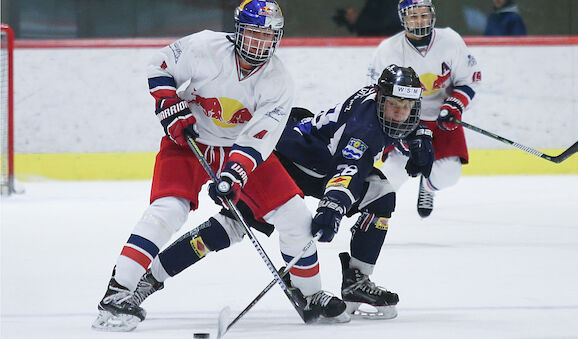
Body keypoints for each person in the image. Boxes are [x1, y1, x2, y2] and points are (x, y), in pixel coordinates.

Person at [92, 0, 349, 332]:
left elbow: (259, 138)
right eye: (253, 34)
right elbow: (159, 66)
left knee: (295, 214)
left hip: (238, 149)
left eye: (267, 37)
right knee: (168, 209)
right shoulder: (204, 46)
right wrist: (169, 105)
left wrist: (234, 173)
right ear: (238, 31)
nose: (259, 44)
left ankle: (311, 293)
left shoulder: (279, 81)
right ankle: (118, 293)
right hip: (189, 139)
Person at [124, 65, 435, 320]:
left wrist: (419, 132)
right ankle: (150, 278)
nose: (399, 113)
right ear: (381, 99)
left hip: (319, 163)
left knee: (382, 194)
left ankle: (356, 280)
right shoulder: (364, 129)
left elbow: (400, 121)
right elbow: (348, 170)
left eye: (407, 108)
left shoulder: (384, 101)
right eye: (394, 106)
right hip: (287, 161)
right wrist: (333, 207)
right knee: (231, 226)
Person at [368, 0, 482, 218]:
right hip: (404, 120)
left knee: (449, 175)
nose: (419, 20)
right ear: (403, 19)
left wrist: (454, 106)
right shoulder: (388, 50)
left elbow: (470, 80)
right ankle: (370, 217)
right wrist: (396, 133)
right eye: (413, 16)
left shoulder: (450, 40)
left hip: (443, 118)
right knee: (389, 176)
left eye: (423, 15)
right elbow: (376, 94)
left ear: (432, 15)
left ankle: (428, 187)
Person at [333, 0, 402, 37]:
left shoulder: (364, 22)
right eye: (349, 12)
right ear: (348, 18)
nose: (353, 11)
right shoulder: (365, 21)